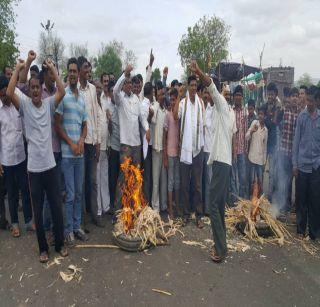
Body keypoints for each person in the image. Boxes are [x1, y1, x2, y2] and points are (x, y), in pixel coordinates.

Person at [6, 58, 68, 263]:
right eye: (31, 87)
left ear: (41, 89)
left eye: (36, 87)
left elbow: (62, 90)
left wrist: (51, 68)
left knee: (57, 209)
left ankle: (59, 245)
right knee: (39, 214)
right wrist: (18, 68)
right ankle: (43, 249)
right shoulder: (24, 106)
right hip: (34, 169)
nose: (34, 90)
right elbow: (9, 92)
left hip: (50, 166)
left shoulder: (49, 104)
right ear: (29, 89)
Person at [191, 60, 237, 262]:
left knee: (213, 206)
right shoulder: (220, 109)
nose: (206, 94)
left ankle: (220, 249)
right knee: (218, 207)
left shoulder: (221, 103)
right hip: (221, 162)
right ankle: (221, 246)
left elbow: (210, 84)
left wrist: (198, 71)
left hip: (221, 162)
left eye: (209, 91)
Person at [55, 58, 88, 246]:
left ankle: (76, 227)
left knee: (79, 192)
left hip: (80, 154)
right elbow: (57, 125)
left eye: (76, 71)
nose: (74, 74)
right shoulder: (63, 95)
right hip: (68, 155)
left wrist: (82, 141)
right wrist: (71, 143)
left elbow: (85, 125)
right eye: (71, 71)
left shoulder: (81, 99)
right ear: (68, 74)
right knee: (70, 194)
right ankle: (68, 230)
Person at [0, 76, 34, 237]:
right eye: (1, 95)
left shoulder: (17, 104)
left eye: (5, 94)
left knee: (25, 189)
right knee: (12, 194)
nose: (4, 98)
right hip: (6, 159)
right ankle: (14, 224)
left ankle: (28, 221)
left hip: (21, 155)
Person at [113, 65, 150, 212]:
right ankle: (118, 210)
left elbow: (142, 118)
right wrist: (124, 74)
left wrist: (147, 129)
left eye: (130, 83)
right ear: (123, 85)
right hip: (126, 146)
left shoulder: (136, 99)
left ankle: (133, 208)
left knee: (136, 178)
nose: (128, 85)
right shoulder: (120, 99)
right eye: (126, 83)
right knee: (123, 178)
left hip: (137, 146)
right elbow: (115, 90)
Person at [173, 75, 205, 228]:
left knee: (197, 185)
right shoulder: (183, 104)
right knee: (185, 185)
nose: (193, 88)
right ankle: (186, 214)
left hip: (197, 150)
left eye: (195, 85)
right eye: (191, 85)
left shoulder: (201, 103)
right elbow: (174, 116)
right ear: (187, 86)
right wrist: (179, 95)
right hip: (185, 150)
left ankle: (198, 215)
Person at [293, 87, 320, 241]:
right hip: (302, 167)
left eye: (311, 100)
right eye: (307, 100)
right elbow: (296, 143)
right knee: (301, 201)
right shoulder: (301, 117)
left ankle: (314, 233)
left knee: (315, 201)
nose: (308, 103)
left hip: (316, 167)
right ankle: (300, 231)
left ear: (316, 101)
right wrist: (295, 165)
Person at [78, 56, 102, 227]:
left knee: (93, 181)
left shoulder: (93, 89)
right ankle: (82, 219)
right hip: (80, 143)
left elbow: (96, 116)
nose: (88, 70)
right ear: (79, 70)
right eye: (85, 67)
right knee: (81, 182)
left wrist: (98, 141)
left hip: (93, 142)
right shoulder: (74, 89)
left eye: (89, 68)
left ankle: (95, 215)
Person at [276, 87, 299, 215]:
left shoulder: (300, 114)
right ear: (289, 98)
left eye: (296, 96)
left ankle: (288, 205)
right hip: (283, 152)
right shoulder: (284, 111)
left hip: (294, 154)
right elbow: (276, 124)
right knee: (282, 178)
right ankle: (281, 203)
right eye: (292, 96)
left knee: (290, 181)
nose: (294, 98)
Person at [150, 83, 167, 213]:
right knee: (155, 180)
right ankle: (155, 208)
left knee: (163, 180)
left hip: (163, 149)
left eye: (163, 94)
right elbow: (151, 120)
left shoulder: (165, 110)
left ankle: (163, 206)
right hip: (156, 149)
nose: (162, 96)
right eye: (160, 94)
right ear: (156, 95)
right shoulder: (154, 107)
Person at [163, 88, 180, 218]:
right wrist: (165, 156)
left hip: (178, 154)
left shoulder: (179, 115)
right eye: (172, 100)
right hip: (169, 152)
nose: (173, 102)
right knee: (170, 182)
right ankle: (169, 208)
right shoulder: (167, 115)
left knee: (177, 181)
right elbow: (165, 136)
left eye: (175, 100)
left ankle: (176, 205)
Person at [245, 107, 268, 197]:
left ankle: (258, 200)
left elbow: (265, 147)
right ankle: (249, 199)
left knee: (260, 181)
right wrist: (251, 131)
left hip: (260, 160)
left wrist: (264, 161)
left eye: (262, 114)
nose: (260, 116)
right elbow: (246, 137)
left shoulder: (266, 130)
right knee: (251, 180)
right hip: (252, 158)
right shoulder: (254, 123)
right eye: (259, 114)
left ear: (265, 116)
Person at [231, 85, 248, 200]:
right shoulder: (230, 111)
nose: (238, 97)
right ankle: (234, 201)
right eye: (236, 95)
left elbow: (247, 132)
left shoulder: (245, 112)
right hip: (232, 150)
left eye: (240, 95)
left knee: (242, 176)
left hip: (242, 150)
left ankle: (241, 201)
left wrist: (246, 149)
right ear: (233, 97)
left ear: (242, 97)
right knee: (232, 177)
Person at [105, 81, 120, 215]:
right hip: (113, 147)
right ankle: (111, 203)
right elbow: (108, 129)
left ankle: (119, 201)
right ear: (110, 94)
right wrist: (108, 121)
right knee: (112, 177)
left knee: (121, 176)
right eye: (112, 92)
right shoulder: (107, 107)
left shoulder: (121, 105)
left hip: (123, 146)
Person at [96, 78, 110, 218]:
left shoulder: (104, 102)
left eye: (100, 87)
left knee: (104, 177)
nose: (99, 89)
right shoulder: (93, 104)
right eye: (97, 87)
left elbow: (106, 124)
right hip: (96, 147)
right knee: (97, 179)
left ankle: (106, 206)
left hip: (106, 146)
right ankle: (98, 209)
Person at [263, 82, 280, 201]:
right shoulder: (263, 107)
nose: (270, 97)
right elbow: (265, 123)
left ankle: (270, 197)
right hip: (263, 145)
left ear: (276, 95)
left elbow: (274, 123)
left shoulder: (279, 108)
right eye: (268, 94)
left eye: (272, 94)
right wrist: (269, 119)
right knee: (261, 170)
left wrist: (270, 118)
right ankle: (257, 195)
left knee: (273, 173)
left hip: (274, 145)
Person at [140, 82, 155, 204]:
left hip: (150, 145)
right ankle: (146, 204)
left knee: (149, 176)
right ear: (151, 93)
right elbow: (143, 120)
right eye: (153, 92)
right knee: (146, 177)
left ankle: (148, 202)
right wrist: (148, 129)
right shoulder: (143, 104)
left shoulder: (149, 104)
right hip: (145, 145)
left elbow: (148, 120)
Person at [202, 87, 214, 215]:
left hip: (210, 150)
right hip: (201, 150)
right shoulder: (199, 108)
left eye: (208, 93)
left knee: (210, 181)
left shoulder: (212, 110)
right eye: (205, 93)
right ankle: (204, 208)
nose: (206, 95)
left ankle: (209, 209)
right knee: (202, 181)